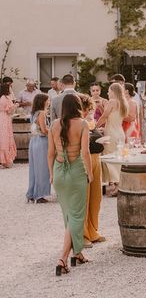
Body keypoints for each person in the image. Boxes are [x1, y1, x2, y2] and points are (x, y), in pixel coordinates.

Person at [48, 94, 93, 276]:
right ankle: (62, 259)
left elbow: (50, 153)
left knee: (68, 214)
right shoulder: (82, 124)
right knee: (76, 216)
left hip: (59, 171)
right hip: (76, 173)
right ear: (77, 106)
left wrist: (51, 174)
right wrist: (89, 173)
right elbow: (85, 152)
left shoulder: (54, 124)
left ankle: (78, 253)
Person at [78, 94, 105, 246]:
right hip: (84, 161)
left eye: (90, 110)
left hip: (96, 159)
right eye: (87, 109)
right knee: (84, 199)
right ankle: (82, 235)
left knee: (96, 198)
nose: (89, 112)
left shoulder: (89, 121)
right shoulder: (77, 123)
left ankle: (93, 230)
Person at [96, 83, 128, 197]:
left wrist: (94, 127)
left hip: (111, 133)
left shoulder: (112, 102)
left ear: (113, 91)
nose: (108, 93)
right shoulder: (124, 102)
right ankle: (118, 184)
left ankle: (117, 184)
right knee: (118, 159)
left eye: (109, 91)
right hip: (120, 132)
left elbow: (105, 116)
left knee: (110, 158)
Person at [26, 93, 51, 202]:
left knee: (34, 168)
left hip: (33, 141)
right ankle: (40, 195)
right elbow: (44, 130)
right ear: (43, 102)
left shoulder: (33, 113)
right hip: (41, 141)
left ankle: (32, 193)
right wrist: (54, 132)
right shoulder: (42, 113)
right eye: (48, 100)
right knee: (42, 168)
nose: (49, 102)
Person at [0, 83, 17, 168]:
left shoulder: (1, 97)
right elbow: (9, 111)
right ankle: (5, 160)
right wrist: (16, 106)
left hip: (1, 117)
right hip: (5, 118)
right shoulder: (6, 98)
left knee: (2, 137)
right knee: (6, 137)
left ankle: (3, 159)